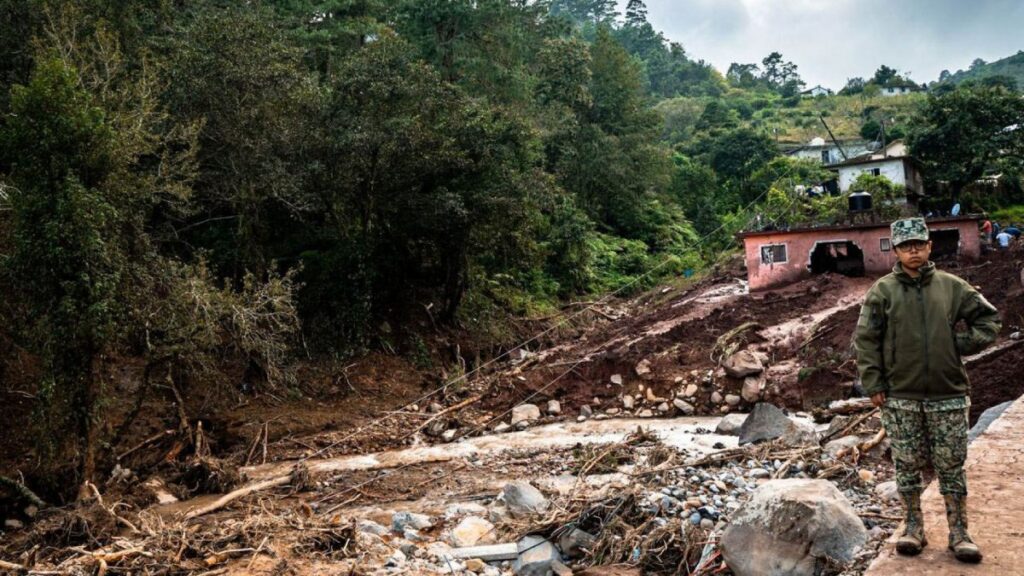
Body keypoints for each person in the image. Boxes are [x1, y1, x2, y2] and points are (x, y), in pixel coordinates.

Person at [855, 217, 1000, 563]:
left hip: (947, 394)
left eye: (919, 244)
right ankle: (912, 529)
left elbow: (989, 321)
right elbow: (865, 340)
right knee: (906, 465)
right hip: (900, 397)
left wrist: (959, 343)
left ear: (929, 246)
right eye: (906, 246)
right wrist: (873, 382)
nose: (914, 250)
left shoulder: (952, 287)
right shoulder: (882, 291)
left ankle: (960, 534)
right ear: (896, 250)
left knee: (951, 467)